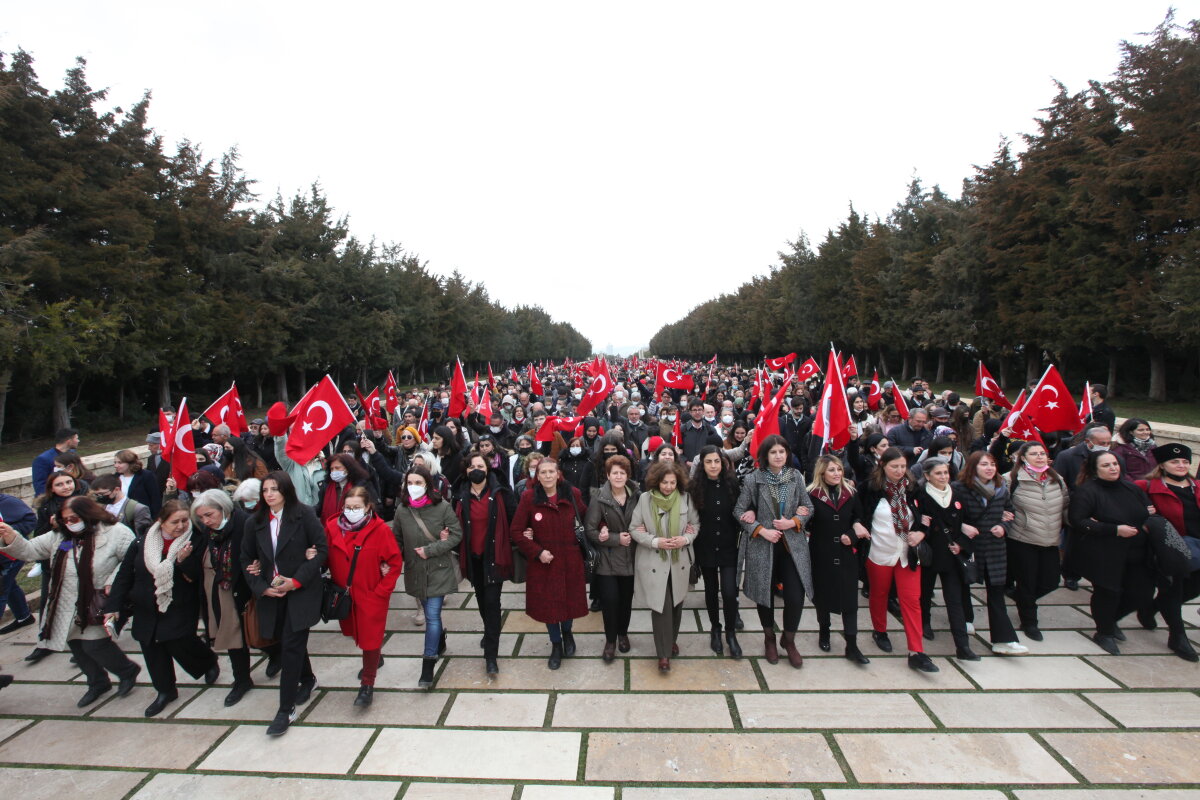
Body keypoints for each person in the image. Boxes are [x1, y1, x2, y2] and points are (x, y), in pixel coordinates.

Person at [0, 496, 141, 706]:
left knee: (95, 645)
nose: (70, 523)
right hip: (65, 601)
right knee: (75, 645)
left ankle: (127, 670)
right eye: (65, 519)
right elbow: (31, 550)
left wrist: (113, 583)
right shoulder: (61, 536)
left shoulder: (116, 533)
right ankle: (97, 682)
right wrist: (11, 537)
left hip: (95, 601)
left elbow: (130, 562)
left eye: (74, 518)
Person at [105, 501, 220, 717]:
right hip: (146, 605)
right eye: (174, 522)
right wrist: (114, 606)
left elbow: (197, 576)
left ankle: (207, 661)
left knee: (179, 641)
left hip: (179, 603)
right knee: (151, 647)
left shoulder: (196, 540)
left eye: (185, 521)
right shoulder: (142, 542)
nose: (180, 526)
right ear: (161, 521)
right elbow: (125, 574)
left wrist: (184, 561)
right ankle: (165, 690)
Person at [241, 471, 328, 736]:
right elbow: (246, 559)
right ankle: (308, 678)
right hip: (272, 592)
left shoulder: (304, 514)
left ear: (286, 491)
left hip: (299, 590)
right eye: (265, 490)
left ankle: (285, 709)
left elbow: (322, 551)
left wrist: (297, 581)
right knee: (286, 640)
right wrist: (262, 588)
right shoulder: (254, 522)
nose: (269, 494)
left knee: (291, 645)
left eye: (274, 490)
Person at [735, 434, 814, 669]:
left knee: (794, 596)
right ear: (765, 456)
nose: (779, 456)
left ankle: (788, 639)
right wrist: (759, 529)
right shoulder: (754, 479)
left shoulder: (795, 476)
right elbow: (739, 510)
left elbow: (808, 507)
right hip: (764, 545)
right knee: (765, 595)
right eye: (774, 452)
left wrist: (794, 522)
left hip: (791, 545)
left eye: (782, 451)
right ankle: (769, 637)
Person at [859, 447, 938, 672]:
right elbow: (860, 515)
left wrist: (921, 532)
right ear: (882, 465)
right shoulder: (870, 488)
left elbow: (927, 517)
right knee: (879, 594)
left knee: (912, 600)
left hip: (907, 553)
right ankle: (880, 630)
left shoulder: (913, 489)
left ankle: (916, 651)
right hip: (880, 552)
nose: (899, 471)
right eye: (894, 467)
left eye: (903, 466)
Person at [1069, 450, 1156, 655]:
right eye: (1106, 465)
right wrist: (1114, 530)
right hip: (1105, 551)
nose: (1113, 468)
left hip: (1136, 549)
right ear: (1095, 470)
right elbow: (1078, 520)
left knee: (1141, 591)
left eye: (1115, 464)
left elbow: (1145, 510)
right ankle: (1104, 631)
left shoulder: (1131, 488)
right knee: (1108, 591)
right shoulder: (1088, 491)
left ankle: (1111, 619)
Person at [325, 486, 402, 705]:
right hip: (344, 596)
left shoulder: (380, 530)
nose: (351, 511)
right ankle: (376, 657)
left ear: (368, 507)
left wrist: (381, 591)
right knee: (354, 633)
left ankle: (367, 683)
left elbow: (395, 563)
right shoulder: (332, 527)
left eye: (356, 507)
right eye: (348, 507)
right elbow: (325, 556)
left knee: (370, 638)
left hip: (371, 594)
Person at [512, 458, 588, 670]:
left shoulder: (572, 494)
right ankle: (556, 644)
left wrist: (600, 527)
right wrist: (537, 551)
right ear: (537, 475)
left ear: (558, 474)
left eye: (550, 472)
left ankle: (568, 633)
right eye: (542, 472)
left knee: (569, 602)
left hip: (570, 560)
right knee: (549, 606)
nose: (546, 476)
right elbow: (516, 531)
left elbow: (586, 518)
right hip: (544, 563)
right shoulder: (528, 497)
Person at [393, 464, 463, 689]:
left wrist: (432, 549)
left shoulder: (442, 507)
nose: (413, 487)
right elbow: (396, 540)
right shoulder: (402, 510)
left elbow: (456, 534)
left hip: (438, 568)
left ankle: (428, 665)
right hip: (415, 571)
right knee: (431, 613)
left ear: (427, 485)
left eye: (418, 483)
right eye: (410, 483)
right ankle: (440, 638)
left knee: (432, 615)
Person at [190, 489, 261, 706]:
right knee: (232, 635)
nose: (205, 521)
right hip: (223, 588)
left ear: (224, 509)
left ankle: (275, 656)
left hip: (249, 588)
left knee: (258, 632)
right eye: (201, 517)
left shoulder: (246, 524)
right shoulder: (206, 531)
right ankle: (241, 680)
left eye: (209, 515)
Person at [954, 452, 1029, 655]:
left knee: (996, 592)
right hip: (970, 545)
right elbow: (950, 516)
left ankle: (1003, 639)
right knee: (964, 585)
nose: (989, 468)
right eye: (984, 464)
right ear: (972, 467)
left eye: (992, 464)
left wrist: (1004, 525)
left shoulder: (1001, 488)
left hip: (995, 546)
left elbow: (1010, 512)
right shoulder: (959, 489)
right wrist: (962, 527)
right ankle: (966, 619)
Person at [630, 460, 699, 672]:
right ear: (656, 482)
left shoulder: (686, 498)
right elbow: (634, 528)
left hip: (678, 562)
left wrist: (686, 539)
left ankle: (671, 640)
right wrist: (655, 541)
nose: (668, 486)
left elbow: (695, 525)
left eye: (672, 482)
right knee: (661, 606)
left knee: (677, 603)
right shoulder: (645, 499)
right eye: (664, 482)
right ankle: (663, 654)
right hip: (654, 561)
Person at [1135, 443, 1200, 661]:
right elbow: (1131, 512)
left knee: (1192, 589)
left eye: (1184, 461)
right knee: (1173, 589)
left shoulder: (1197, 487)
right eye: (1174, 462)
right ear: (1162, 465)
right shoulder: (1147, 487)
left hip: (1198, 547)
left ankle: (1151, 607)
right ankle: (1177, 636)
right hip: (1168, 548)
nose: (1181, 465)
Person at [453, 453, 514, 677]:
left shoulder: (500, 492)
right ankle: (490, 630)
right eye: (471, 466)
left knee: (492, 602)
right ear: (466, 470)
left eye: (480, 465)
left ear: (488, 469)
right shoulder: (459, 495)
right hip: (473, 558)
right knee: (481, 600)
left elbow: (514, 517)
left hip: (494, 557)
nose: (476, 469)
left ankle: (491, 656)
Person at [805, 455, 871, 665]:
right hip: (821, 554)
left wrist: (851, 536)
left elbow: (859, 518)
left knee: (850, 601)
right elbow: (807, 524)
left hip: (845, 554)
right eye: (832, 470)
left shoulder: (850, 493)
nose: (836, 474)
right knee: (823, 598)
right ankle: (824, 630)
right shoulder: (811, 494)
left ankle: (852, 645)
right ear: (822, 472)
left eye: (839, 470)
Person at [913, 457, 979, 661]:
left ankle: (962, 645)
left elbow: (967, 522)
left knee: (954, 600)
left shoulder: (957, 494)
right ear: (927, 476)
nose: (943, 477)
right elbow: (916, 523)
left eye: (945, 473)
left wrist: (961, 543)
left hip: (952, 554)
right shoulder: (920, 495)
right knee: (924, 594)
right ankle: (925, 623)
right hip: (930, 554)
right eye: (938, 473)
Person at [1006, 441, 1071, 641]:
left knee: (1050, 581)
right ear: (1023, 458)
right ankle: (1029, 621)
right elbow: (1001, 503)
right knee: (1027, 582)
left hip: (1050, 539)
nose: (1040, 457)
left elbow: (1066, 505)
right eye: (1034, 454)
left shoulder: (1056, 478)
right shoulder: (1012, 478)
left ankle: (1022, 599)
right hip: (1023, 538)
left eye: (1042, 453)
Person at [585, 453, 641, 662]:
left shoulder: (637, 495)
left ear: (628, 475)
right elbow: (589, 529)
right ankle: (610, 641)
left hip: (631, 558)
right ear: (607, 475)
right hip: (608, 559)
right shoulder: (599, 497)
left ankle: (623, 634)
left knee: (626, 600)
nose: (618, 476)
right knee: (610, 600)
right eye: (614, 473)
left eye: (622, 473)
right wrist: (615, 539)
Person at [688, 446, 743, 658]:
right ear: (702, 464)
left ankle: (731, 633)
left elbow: (741, 509)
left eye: (717, 461)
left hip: (729, 545)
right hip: (706, 545)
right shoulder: (695, 487)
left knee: (729, 592)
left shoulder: (732, 483)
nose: (713, 466)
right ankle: (715, 628)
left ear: (723, 463)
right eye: (709, 462)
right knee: (711, 590)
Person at [0, 493, 37, 635]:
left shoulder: (7, 502)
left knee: (1, 589)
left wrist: (7, 532)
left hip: (10, 556)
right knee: (9, 586)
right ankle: (24, 616)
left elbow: (30, 521)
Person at [112, 449, 162, 517]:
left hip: (141, 516)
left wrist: (155, 517)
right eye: (115, 462)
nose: (116, 465)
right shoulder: (114, 478)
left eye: (120, 463)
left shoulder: (146, 476)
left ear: (129, 463)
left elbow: (155, 498)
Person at [31, 428, 79, 496]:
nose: (78, 441)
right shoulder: (42, 459)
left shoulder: (73, 453)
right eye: (76, 438)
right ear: (69, 441)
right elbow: (40, 485)